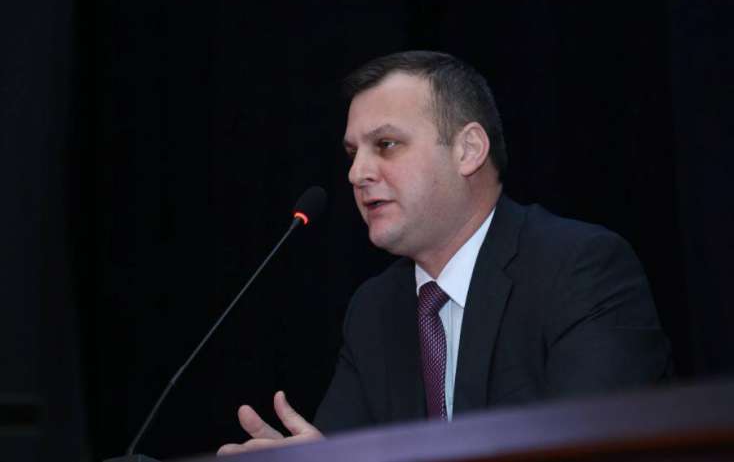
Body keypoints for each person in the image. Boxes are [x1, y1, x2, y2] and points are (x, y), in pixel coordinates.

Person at [217, 51, 672, 455]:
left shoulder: (579, 269)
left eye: (386, 145)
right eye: (353, 153)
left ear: (468, 150)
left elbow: (590, 450)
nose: (357, 173)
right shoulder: (374, 310)